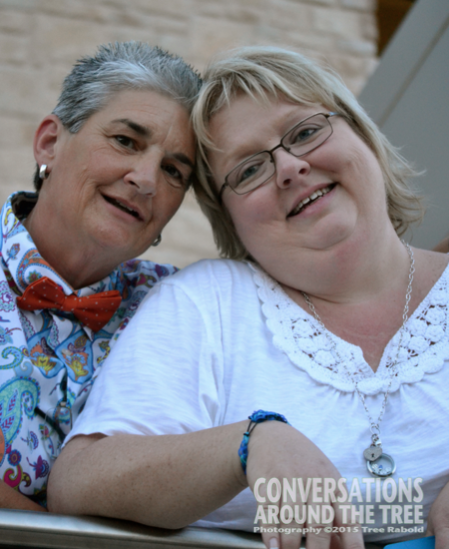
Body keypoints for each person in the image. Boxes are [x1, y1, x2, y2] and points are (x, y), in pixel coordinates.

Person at [48, 46, 449, 549]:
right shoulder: (206, 302)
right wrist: (249, 442)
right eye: (249, 169)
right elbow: (77, 483)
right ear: (230, 219)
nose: (289, 168)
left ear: (364, 136)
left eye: (305, 132)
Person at [0, 41, 200, 510]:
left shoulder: (182, 309)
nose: (146, 180)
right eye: (126, 141)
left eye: (173, 170)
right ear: (50, 142)